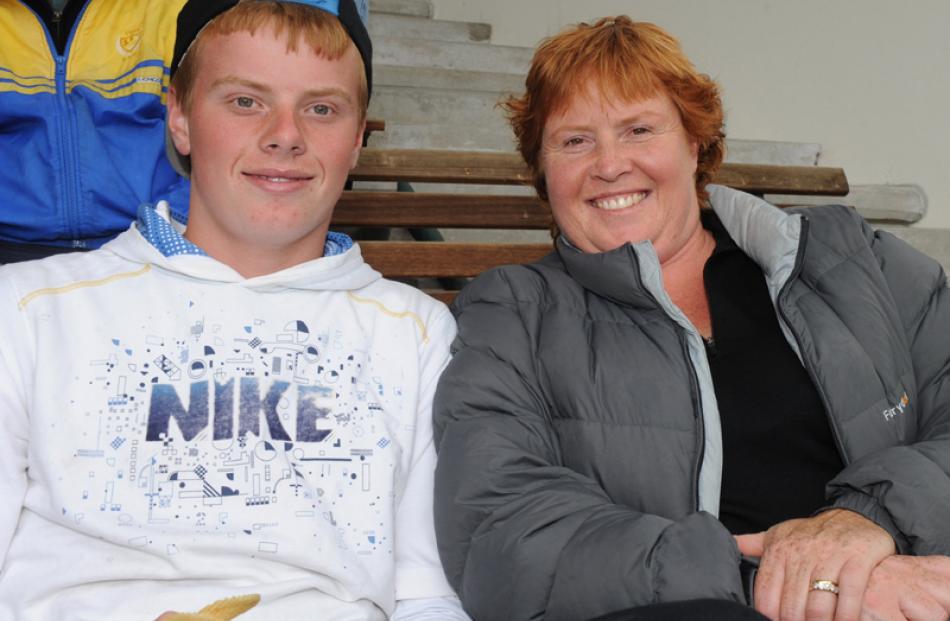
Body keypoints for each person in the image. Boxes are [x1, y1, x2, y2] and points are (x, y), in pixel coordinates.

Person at [432, 16, 950, 621]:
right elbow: (504, 531)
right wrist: (781, 585)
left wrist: (870, 521)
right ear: (544, 173)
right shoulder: (514, 314)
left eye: (639, 129)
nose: (609, 164)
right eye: (574, 141)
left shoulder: (846, 259)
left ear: (694, 144)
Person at [0, 1, 468, 619]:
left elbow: (427, 595)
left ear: (357, 141)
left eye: (321, 108)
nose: (285, 133)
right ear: (180, 118)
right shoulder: (29, 309)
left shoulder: (416, 332)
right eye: (245, 101)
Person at [0, 0, 192, 263]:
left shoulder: (174, 8)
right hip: (9, 247)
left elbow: (230, 131)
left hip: (157, 241)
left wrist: (178, 220)